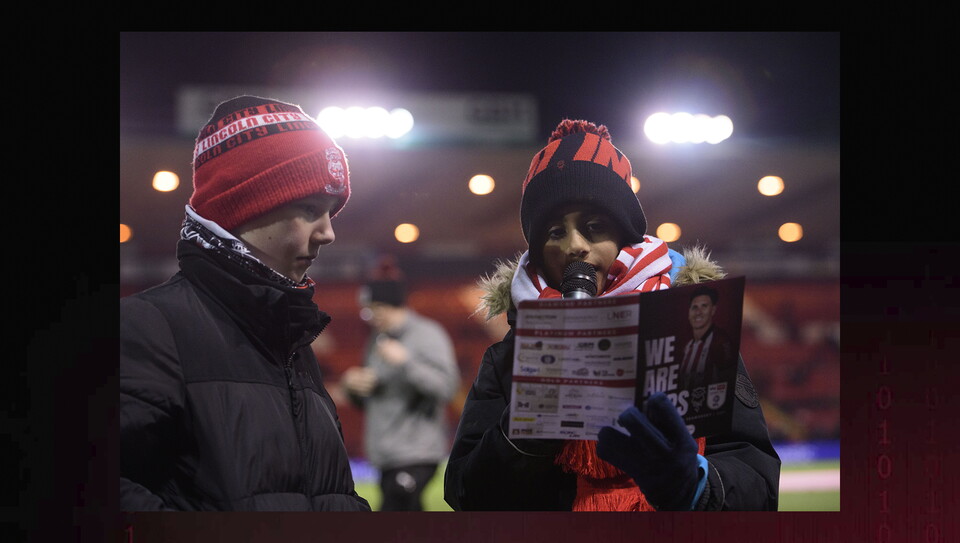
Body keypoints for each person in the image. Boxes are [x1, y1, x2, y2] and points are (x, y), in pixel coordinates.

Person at [443, 119, 780, 511]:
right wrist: (526, 432)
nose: (575, 246)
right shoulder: (508, 358)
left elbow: (758, 484)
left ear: (625, 236)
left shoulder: (695, 331)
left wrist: (694, 485)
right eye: (554, 231)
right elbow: (465, 493)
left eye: (594, 226)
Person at [120, 95, 371, 511]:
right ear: (245, 207)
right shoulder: (146, 328)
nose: (328, 233)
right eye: (310, 209)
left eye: (330, 213)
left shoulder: (290, 339)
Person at [341, 270, 461, 510]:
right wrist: (352, 385)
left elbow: (447, 387)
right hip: (386, 455)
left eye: (371, 310)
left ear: (385, 307)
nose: (370, 317)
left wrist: (406, 362)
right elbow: (372, 396)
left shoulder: (428, 334)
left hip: (416, 454)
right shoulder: (378, 340)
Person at [679, 285, 737, 394]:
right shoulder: (687, 346)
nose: (698, 312)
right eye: (694, 307)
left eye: (704, 306)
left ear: (713, 310)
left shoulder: (721, 342)